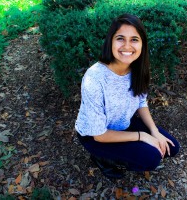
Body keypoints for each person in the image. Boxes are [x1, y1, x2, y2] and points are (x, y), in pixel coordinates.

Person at [75, 14, 180, 179]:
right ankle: (103, 159)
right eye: (120, 38)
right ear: (110, 41)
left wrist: (154, 131)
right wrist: (143, 136)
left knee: (171, 147)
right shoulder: (94, 78)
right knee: (151, 158)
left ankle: (123, 152)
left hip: (124, 125)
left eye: (134, 40)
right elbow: (99, 135)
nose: (127, 46)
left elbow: (141, 101)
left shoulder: (137, 68)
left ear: (142, 44)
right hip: (95, 136)